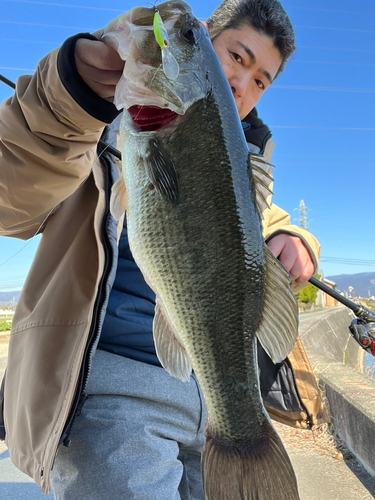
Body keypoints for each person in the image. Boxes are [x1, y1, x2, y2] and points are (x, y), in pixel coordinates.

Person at [0, 0, 328, 498]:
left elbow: (262, 219)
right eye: (236, 58)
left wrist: (297, 239)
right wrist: (64, 100)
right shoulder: (92, 125)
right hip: (110, 390)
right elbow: (10, 201)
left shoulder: (247, 164)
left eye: (262, 80)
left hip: (213, 398)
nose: (243, 85)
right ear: (206, 49)